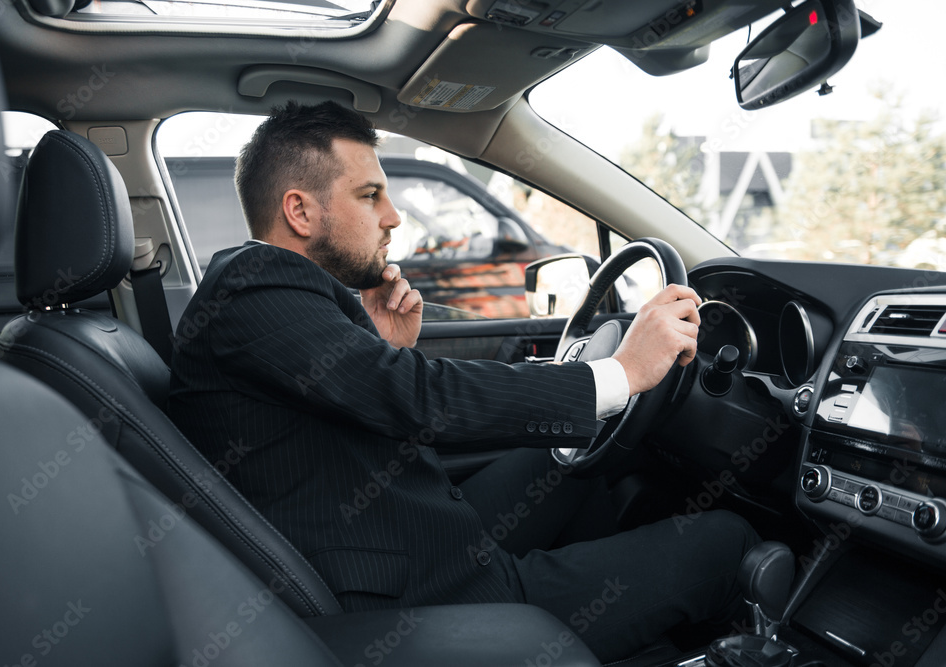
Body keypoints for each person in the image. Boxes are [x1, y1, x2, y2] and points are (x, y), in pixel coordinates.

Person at [168, 100, 759, 662]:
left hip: (401, 535)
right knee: (723, 542)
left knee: (574, 454)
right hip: (412, 597)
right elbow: (422, 396)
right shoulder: (256, 284)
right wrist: (623, 371)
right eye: (370, 196)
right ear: (300, 211)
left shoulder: (265, 291)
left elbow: (365, 400)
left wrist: (382, 349)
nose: (393, 217)